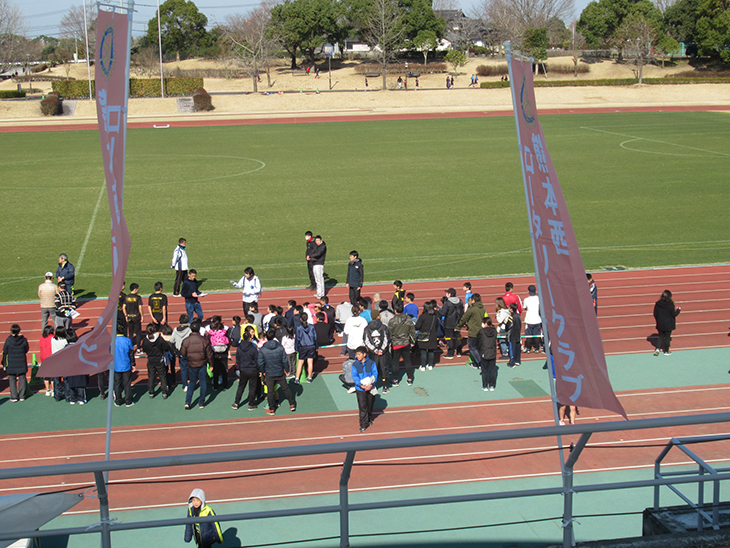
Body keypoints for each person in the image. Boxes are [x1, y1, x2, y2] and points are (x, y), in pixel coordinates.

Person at [258, 328, 296, 415]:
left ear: (266, 337)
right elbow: (284, 360)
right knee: (286, 388)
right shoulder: (280, 347)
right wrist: (286, 369)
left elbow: (260, 362)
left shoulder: (263, 349)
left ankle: (271, 409)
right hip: (279, 371)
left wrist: (262, 371)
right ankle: (292, 404)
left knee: (270, 391)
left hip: (269, 373)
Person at [180, 320, 214, 409]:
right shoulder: (204, 340)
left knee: (192, 383)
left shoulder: (186, 341)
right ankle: (201, 402)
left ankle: (187, 402)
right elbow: (209, 354)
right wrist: (211, 364)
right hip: (202, 363)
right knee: (203, 382)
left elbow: (183, 353)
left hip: (191, 364)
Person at [456, 294, 487, 367]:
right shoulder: (483, 308)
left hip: (473, 331)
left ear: (473, 300)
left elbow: (464, 318)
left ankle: (480, 363)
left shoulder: (471, 309)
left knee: (472, 347)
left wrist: (458, 326)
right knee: (479, 347)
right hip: (481, 330)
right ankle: (477, 362)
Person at [388, 302, 416, 386]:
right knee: (407, 361)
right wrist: (413, 342)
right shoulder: (408, 319)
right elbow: (412, 332)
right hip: (406, 343)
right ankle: (410, 378)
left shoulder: (392, 321)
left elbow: (390, 333)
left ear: (395, 311)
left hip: (396, 344)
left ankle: (395, 380)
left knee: (395, 362)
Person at [352, 346, 378, 433]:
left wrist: (371, 385)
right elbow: (355, 377)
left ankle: (369, 418)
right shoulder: (355, 365)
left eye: (359, 354)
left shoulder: (371, 363)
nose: (357, 356)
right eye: (356, 354)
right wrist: (361, 386)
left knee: (370, 404)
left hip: (370, 388)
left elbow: (375, 374)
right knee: (362, 407)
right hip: (360, 390)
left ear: (364, 354)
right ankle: (363, 425)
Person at [364, 309, 391, 392]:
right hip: (383, 353)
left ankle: (373, 386)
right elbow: (387, 339)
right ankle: (385, 387)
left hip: (373, 353)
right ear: (378, 316)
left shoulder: (367, 328)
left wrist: (374, 350)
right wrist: (382, 350)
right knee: (384, 368)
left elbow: (366, 341)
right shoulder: (384, 327)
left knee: (373, 369)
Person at [232, 330, 260, 410]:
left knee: (241, 386)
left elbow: (238, 359)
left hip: (243, 370)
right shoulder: (253, 348)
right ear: (250, 339)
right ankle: (251, 404)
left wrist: (240, 368)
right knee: (252, 387)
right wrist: (258, 369)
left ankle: (236, 403)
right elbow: (256, 359)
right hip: (253, 369)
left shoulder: (239, 348)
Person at [141, 323, 170, 399]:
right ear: (154, 330)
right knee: (162, 376)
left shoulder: (145, 340)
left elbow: (144, 349)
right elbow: (166, 347)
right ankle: (164, 392)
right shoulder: (159, 339)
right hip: (159, 360)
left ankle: (151, 392)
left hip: (150, 360)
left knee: (151, 376)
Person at [2, 324, 29, 402]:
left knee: (12, 379)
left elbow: (5, 351)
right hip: (21, 361)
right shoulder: (23, 339)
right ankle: (22, 396)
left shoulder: (8, 340)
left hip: (11, 362)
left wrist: (4, 363)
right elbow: (26, 349)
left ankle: (14, 396)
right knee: (22, 378)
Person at [114, 323, 136, 407]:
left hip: (116, 366)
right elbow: (131, 353)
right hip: (126, 365)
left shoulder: (112, 341)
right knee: (127, 384)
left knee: (117, 384)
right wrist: (133, 364)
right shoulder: (127, 341)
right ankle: (128, 401)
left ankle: (118, 401)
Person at [653, 289, 681, 356]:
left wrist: (658, 320)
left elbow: (655, 314)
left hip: (660, 323)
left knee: (660, 336)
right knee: (667, 337)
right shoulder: (670, 305)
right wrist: (678, 310)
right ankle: (666, 351)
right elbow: (673, 314)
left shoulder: (658, 304)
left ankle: (657, 348)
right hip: (668, 324)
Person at [170, 314, 192, 392]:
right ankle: (192, 383)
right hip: (190, 351)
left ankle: (185, 385)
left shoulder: (176, 330)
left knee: (183, 369)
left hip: (180, 352)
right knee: (192, 368)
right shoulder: (189, 329)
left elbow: (171, 340)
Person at [415, 301, 439, 371]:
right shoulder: (435, 317)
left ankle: (423, 366)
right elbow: (437, 326)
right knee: (431, 351)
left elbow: (418, 326)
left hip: (424, 335)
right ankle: (430, 365)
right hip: (433, 335)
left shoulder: (422, 316)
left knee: (423, 351)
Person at [441, 288, 464, 359]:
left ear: (450, 294)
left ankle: (450, 353)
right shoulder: (460, 301)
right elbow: (462, 312)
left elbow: (443, 313)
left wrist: (437, 311)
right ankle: (459, 352)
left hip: (449, 323)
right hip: (458, 322)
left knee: (449, 338)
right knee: (458, 337)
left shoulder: (447, 303)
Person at [295, 313, 318, 383]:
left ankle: (297, 378)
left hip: (303, 346)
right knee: (310, 362)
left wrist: (296, 348)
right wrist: (316, 346)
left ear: (300, 319)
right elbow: (315, 337)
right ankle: (309, 378)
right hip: (311, 345)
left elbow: (297, 339)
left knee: (300, 362)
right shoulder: (312, 326)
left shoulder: (299, 328)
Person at [477, 317, 498, 391]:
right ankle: (492, 385)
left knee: (484, 370)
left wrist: (480, 351)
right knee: (492, 370)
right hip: (492, 352)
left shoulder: (482, 332)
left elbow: (479, 342)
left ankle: (485, 386)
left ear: (485, 323)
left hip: (484, 353)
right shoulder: (494, 331)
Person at [123, 283, 144, 348]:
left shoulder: (126, 297)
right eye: (137, 289)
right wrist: (142, 315)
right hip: (136, 317)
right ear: (135, 289)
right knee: (138, 333)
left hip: (129, 317)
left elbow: (123, 307)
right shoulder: (138, 297)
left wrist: (126, 315)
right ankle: (138, 348)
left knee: (131, 333)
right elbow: (140, 307)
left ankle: (131, 347)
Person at [523, 285, 542, 353]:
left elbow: (525, 307)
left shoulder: (526, 300)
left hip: (529, 320)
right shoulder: (539, 299)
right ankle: (537, 348)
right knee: (537, 335)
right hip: (537, 319)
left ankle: (528, 348)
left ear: (529, 291)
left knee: (528, 335)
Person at [39, 324, 55, 397]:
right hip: (51, 357)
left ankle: (47, 390)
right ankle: (54, 390)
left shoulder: (42, 338)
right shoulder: (53, 338)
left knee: (46, 376)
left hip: (43, 358)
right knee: (53, 375)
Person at [507, 303, 522, 367]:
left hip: (512, 335)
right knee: (517, 348)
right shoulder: (518, 316)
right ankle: (517, 360)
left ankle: (512, 362)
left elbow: (508, 325)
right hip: (518, 334)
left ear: (511, 309)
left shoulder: (511, 317)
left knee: (512, 349)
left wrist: (506, 328)